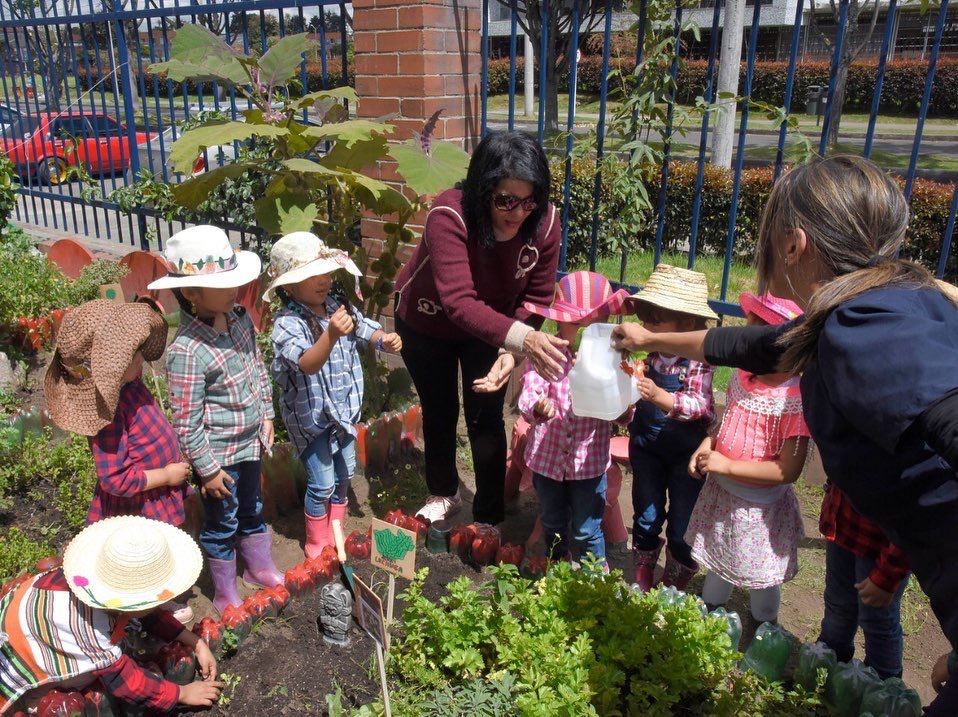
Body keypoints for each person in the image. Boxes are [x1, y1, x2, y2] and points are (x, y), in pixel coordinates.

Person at [610, 155, 958, 715]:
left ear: (793, 243)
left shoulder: (869, 333)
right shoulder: (877, 304)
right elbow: (760, 346)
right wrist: (649, 337)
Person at [393, 130, 566, 528]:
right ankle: (444, 491)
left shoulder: (546, 223)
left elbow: (538, 297)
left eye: (528, 200)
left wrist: (511, 352)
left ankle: (489, 514)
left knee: (486, 416)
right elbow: (458, 302)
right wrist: (522, 339)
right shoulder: (449, 214)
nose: (518, 212)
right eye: (505, 199)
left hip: (494, 328)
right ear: (481, 188)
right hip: (427, 322)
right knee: (439, 408)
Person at [148, 225, 283, 616]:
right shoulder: (187, 352)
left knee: (252, 506)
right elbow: (187, 424)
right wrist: (206, 472)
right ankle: (225, 590)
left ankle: (258, 568)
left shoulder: (239, 318)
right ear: (190, 294)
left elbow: (256, 367)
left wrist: (267, 413)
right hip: (218, 456)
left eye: (234, 280)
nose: (234, 290)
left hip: (250, 442)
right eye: (223, 284)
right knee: (222, 520)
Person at [44, 299, 194, 624]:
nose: (141, 356)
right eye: (132, 354)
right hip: (139, 505)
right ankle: (148, 614)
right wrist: (167, 475)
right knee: (138, 558)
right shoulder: (107, 415)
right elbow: (116, 479)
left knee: (157, 550)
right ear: (107, 371)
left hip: (156, 497)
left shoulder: (131, 385)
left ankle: (156, 599)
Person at [264, 232, 402, 559]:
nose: (324, 280)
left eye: (326, 273)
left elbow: (365, 326)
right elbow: (307, 364)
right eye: (313, 276)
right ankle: (316, 542)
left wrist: (383, 338)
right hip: (311, 419)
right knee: (322, 481)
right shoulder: (287, 323)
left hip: (343, 413)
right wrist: (330, 334)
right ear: (288, 286)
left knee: (343, 476)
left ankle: (334, 532)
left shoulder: (336, 307)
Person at [0, 516, 222, 714]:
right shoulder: (89, 632)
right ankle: (33, 700)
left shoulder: (82, 582)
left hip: (23, 621)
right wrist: (182, 693)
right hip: (19, 665)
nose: (161, 604)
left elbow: (148, 614)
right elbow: (126, 682)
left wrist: (197, 643)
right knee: (92, 676)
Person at [685, 292, 810, 624]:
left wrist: (727, 465)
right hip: (725, 492)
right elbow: (728, 421)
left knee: (760, 570)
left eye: (758, 334)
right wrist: (708, 443)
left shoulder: (794, 398)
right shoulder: (744, 375)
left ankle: (764, 624)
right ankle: (710, 612)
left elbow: (788, 469)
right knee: (721, 553)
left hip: (758, 506)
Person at [516, 271, 631, 568]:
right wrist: (538, 408)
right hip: (548, 459)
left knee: (586, 527)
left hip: (588, 462)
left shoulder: (612, 361)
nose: (585, 333)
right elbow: (530, 392)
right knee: (552, 520)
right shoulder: (546, 354)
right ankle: (558, 566)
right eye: (578, 325)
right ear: (558, 322)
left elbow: (625, 410)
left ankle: (596, 579)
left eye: (594, 326)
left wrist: (612, 397)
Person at [626, 264, 718, 592]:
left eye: (656, 320)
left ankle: (676, 575)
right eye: (646, 319)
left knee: (683, 523)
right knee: (646, 512)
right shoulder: (647, 356)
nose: (647, 327)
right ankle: (643, 566)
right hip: (648, 448)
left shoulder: (699, 360)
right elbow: (632, 403)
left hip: (687, 455)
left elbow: (702, 407)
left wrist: (662, 397)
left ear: (688, 324)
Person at [817, 481, 910, 679]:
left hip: (884, 543)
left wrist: (889, 573)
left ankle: (882, 694)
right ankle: (824, 674)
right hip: (845, 522)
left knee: (877, 621)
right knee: (838, 604)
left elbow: (919, 506)